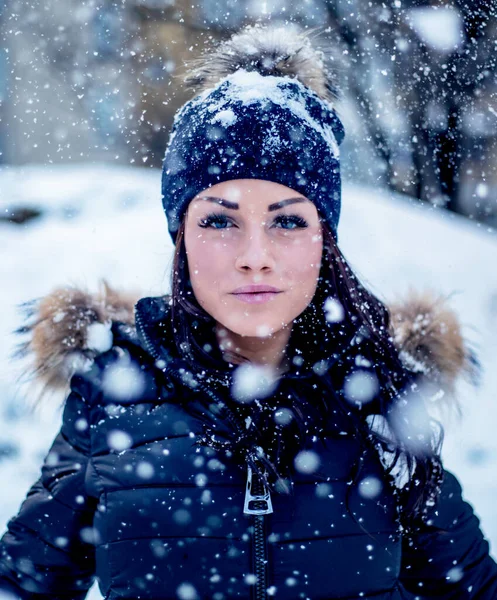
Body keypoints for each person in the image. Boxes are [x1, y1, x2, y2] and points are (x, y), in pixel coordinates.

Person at [1, 23, 496, 600]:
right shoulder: (112, 393)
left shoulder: (379, 390)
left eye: (287, 220)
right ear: (181, 237)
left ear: (324, 241)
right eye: (218, 220)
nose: (254, 258)